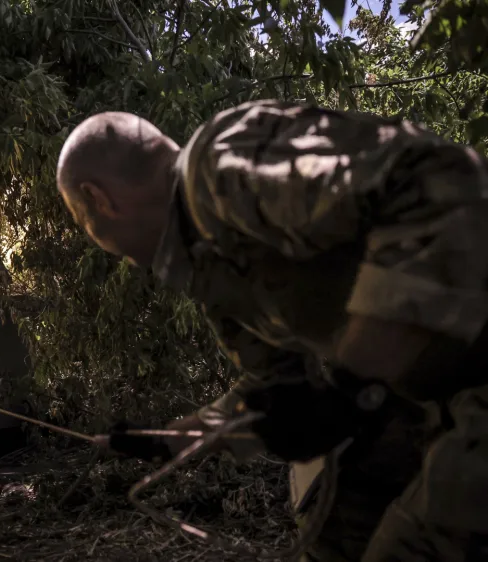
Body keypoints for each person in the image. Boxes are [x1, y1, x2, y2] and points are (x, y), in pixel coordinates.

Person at [55, 100, 488, 561]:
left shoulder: (220, 169)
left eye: (82, 221)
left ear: (98, 199)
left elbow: (435, 180)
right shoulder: (204, 258)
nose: (94, 237)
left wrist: (353, 384)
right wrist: (172, 441)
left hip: (472, 384)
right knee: (334, 536)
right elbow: (280, 381)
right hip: (431, 407)